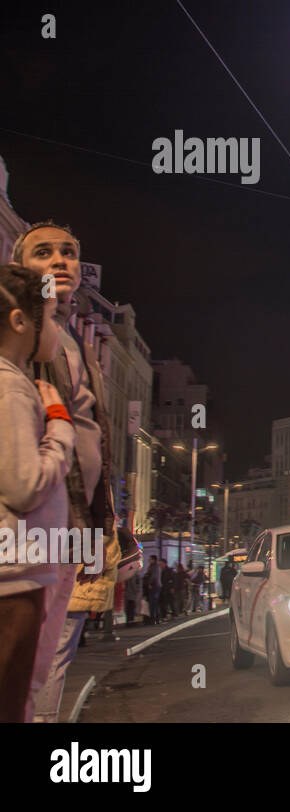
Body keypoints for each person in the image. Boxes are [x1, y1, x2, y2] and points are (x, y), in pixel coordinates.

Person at [15, 223, 118, 723]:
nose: (61, 261)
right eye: (45, 253)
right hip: (33, 519)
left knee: (60, 640)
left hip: (76, 516)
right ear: (19, 268)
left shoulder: (73, 337)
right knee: (32, 649)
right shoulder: (19, 331)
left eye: (70, 253)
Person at [0, 264, 75, 722]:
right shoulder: (10, 387)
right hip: (13, 579)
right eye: (47, 317)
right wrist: (60, 427)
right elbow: (25, 484)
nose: (54, 329)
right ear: (19, 322)